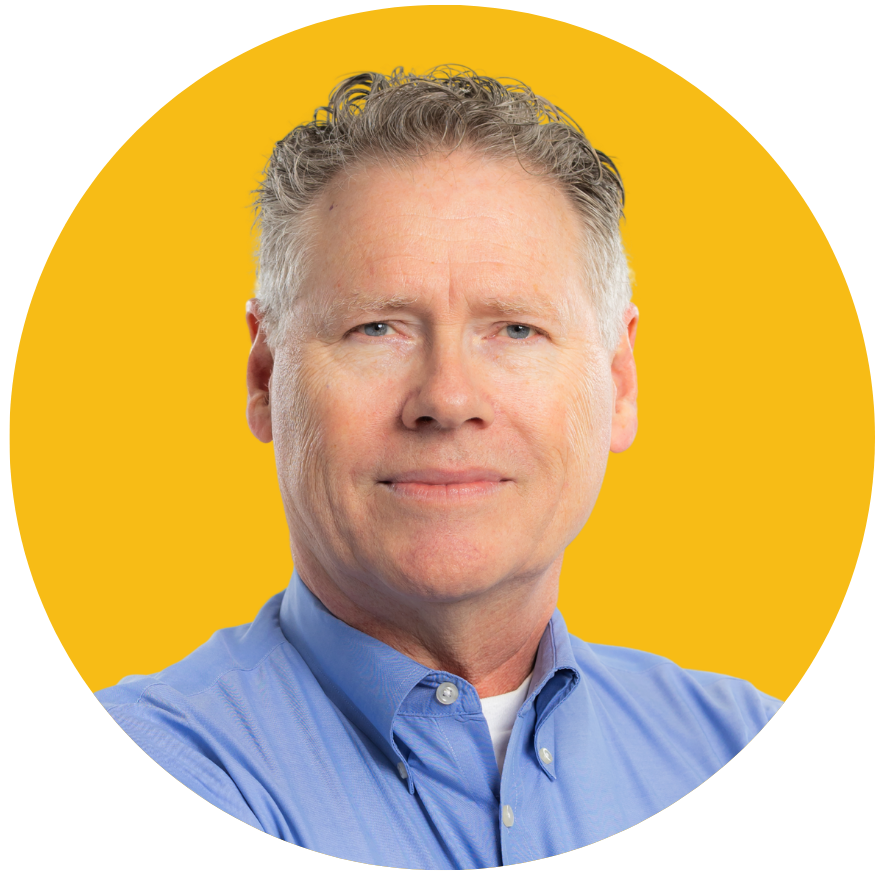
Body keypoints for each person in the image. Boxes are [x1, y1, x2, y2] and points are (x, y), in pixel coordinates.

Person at [96, 67, 781, 865]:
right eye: (376, 328)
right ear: (264, 377)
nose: (447, 399)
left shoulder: (734, 738)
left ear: (618, 381)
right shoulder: (170, 756)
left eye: (515, 329)